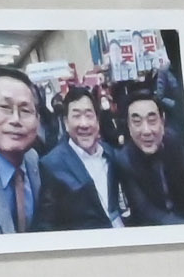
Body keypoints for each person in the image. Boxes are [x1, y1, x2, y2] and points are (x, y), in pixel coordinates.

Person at [0, 66, 76, 236]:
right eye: (5, 107)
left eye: (25, 110)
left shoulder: (34, 161)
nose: (15, 120)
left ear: (37, 119)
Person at [42, 90, 125, 231]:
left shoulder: (109, 153)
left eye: (88, 115)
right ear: (66, 123)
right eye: (76, 116)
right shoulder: (52, 164)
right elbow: (47, 224)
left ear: (97, 121)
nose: (84, 124)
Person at [115, 89, 184, 226]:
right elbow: (145, 210)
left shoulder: (173, 141)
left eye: (152, 120)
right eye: (137, 122)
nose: (146, 131)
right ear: (128, 126)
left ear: (162, 121)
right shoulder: (124, 160)